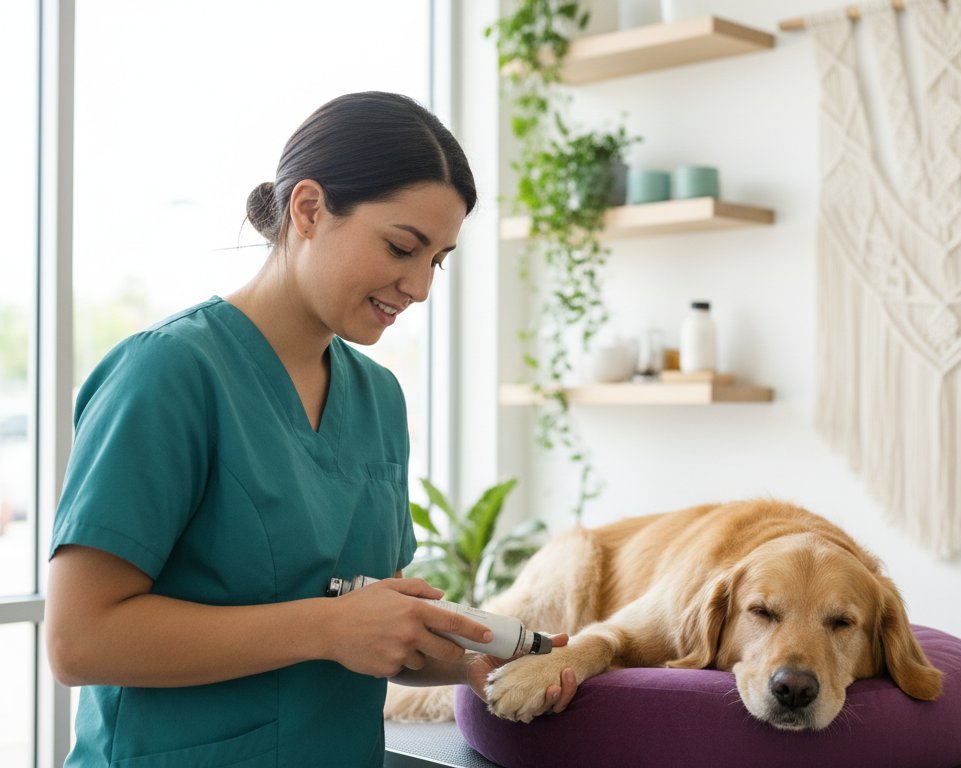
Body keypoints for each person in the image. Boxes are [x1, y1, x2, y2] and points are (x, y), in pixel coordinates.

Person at [45, 91, 576, 767]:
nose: (418, 286)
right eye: (401, 246)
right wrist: (326, 627)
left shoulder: (379, 398)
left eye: (436, 260)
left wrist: (472, 662)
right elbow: (79, 641)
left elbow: (365, 634)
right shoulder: (169, 374)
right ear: (308, 209)